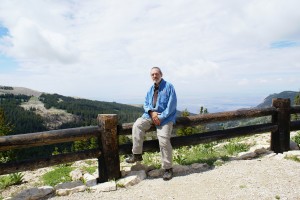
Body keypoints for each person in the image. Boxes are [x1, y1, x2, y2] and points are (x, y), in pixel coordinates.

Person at [126, 67, 177, 181]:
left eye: (156, 74)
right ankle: (137, 154)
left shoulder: (169, 87)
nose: (154, 76)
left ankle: (168, 169)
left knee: (163, 139)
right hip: (150, 115)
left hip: (165, 118)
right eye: (152, 74)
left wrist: (161, 116)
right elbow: (146, 103)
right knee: (137, 125)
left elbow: (171, 106)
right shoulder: (150, 89)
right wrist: (151, 112)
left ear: (161, 74)